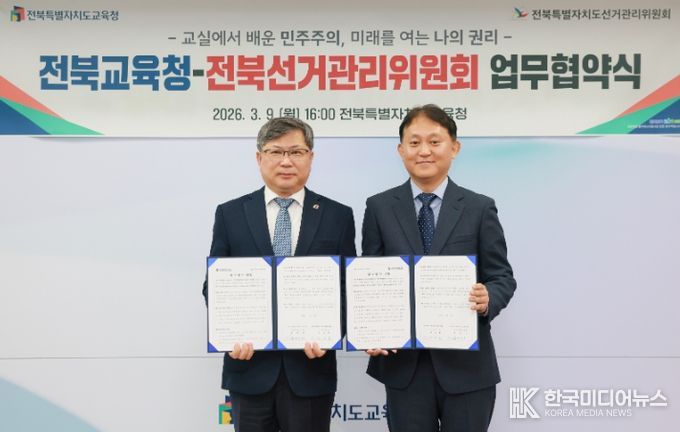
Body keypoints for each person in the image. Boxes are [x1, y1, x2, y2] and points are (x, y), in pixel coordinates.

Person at [361, 104, 516, 432]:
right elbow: (369, 279)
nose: (424, 151)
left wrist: (489, 297)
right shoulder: (379, 207)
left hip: (467, 367)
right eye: (414, 142)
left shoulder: (479, 207)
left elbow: (502, 275)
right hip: (405, 367)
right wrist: (371, 329)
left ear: (454, 147)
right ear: (401, 150)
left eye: (434, 141)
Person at [203, 117, 356, 432]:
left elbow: (348, 287)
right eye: (275, 152)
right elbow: (215, 285)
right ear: (259, 158)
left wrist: (331, 333)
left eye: (296, 152)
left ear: (310, 157)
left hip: (310, 370)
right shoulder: (230, 213)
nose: (286, 161)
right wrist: (229, 333)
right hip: (248, 367)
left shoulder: (337, 215)